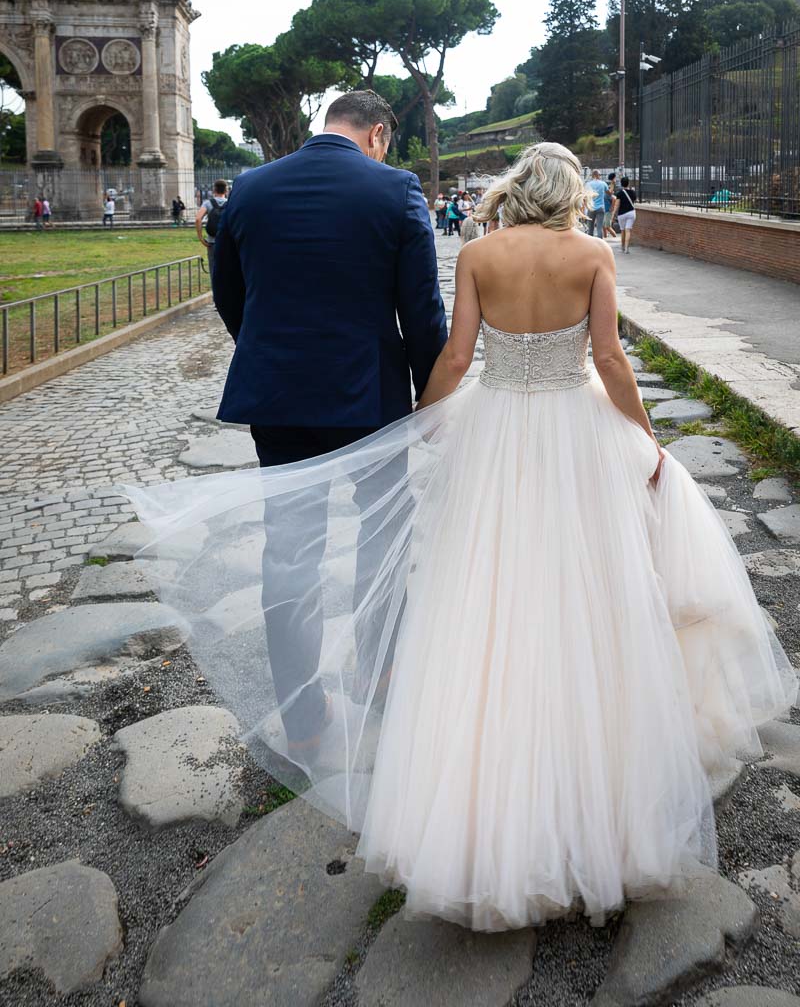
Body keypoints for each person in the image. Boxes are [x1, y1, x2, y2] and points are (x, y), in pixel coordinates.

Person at [127, 140, 796, 932]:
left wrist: (422, 424)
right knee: (587, 588)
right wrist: (649, 441)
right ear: (573, 192)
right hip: (577, 433)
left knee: (486, 593)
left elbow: (454, 353)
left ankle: (480, 793)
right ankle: (600, 783)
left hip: (497, 431)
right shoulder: (592, 254)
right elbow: (611, 359)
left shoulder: (479, 253)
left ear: (518, 188)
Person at [208, 89, 447, 753]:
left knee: (288, 553)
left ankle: (303, 717)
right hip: (369, 400)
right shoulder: (396, 191)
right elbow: (422, 312)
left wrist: (269, 352)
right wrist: (432, 399)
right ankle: (379, 676)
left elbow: (230, 294)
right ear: (376, 133)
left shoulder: (250, 189)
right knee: (381, 540)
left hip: (279, 399)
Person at [195, 180, 228, 278]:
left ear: (214, 190)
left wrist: (201, 238)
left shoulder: (208, 203)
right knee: (228, 270)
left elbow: (198, 219)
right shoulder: (231, 203)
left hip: (212, 241)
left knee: (214, 270)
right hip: (228, 242)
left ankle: (216, 292)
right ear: (226, 191)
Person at [614, 176, 638, 253]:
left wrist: (613, 214)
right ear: (628, 183)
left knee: (623, 231)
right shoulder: (633, 193)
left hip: (622, 214)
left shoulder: (619, 193)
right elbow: (635, 200)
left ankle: (622, 247)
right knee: (628, 230)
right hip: (631, 213)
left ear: (621, 184)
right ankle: (627, 248)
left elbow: (617, 205)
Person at [585, 169, 607, 237]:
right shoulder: (603, 183)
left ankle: (591, 245)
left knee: (590, 229)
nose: (600, 176)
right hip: (600, 208)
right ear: (597, 175)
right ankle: (600, 245)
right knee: (599, 228)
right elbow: (609, 193)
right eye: (599, 175)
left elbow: (585, 196)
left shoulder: (588, 184)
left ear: (592, 175)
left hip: (591, 208)